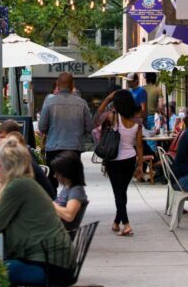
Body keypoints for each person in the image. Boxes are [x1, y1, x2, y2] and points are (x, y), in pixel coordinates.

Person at [0, 137, 74, 287]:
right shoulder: (24, 184)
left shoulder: (17, 187)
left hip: (49, 264)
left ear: (7, 166)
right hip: (53, 259)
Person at [96, 88, 144, 237]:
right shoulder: (137, 122)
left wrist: (109, 98)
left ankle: (127, 224)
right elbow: (140, 145)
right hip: (130, 160)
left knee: (118, 193)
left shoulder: (113, 117)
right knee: (121, 192)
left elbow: (98, 114)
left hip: (114, 160)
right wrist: (140, 164)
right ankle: (117, 222)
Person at [38, 72, 92, 187]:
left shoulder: (49, 102)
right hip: (74, 149)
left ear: (57, 84)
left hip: (53, 148)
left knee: (52, 184)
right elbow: (89, 127)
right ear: (72, 85)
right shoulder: (81, 103)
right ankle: (71, 204)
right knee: (73, 183)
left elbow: (42, 127)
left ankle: (54, 204)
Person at [0, 119, 55, 198]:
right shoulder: (23, 151)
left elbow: (15, 189)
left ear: (12, 137)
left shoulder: (21, 157)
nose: (0, 141)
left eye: (2, 138)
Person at [50, 151, 88, 233]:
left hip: (55, 234)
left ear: (66, 173)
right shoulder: (67, 187)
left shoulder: (76, 191)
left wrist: (49, 204)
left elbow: (69, 215)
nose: (55, 176)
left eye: (57, 173)